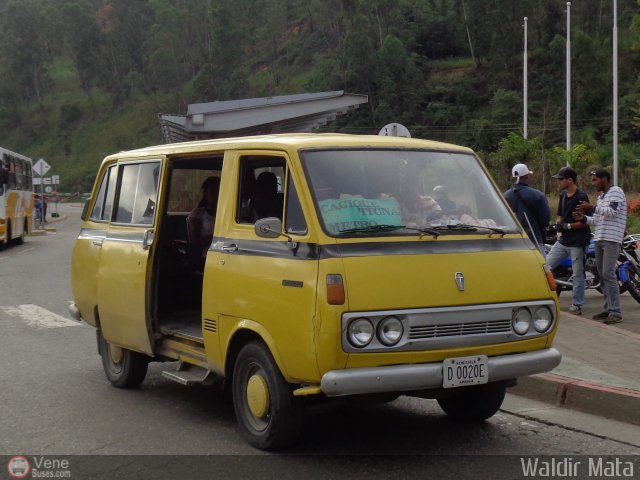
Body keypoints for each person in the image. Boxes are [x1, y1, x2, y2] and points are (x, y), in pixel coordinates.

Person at [575, 168, 627, 324]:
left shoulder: (616, 191)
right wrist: (583, 218)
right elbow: (597, 220)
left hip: (612, 238)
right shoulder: (601, 197)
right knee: (602, 275)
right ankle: (608, 309)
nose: (594, 183)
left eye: (595, 180)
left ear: (604, 179)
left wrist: (591, 208)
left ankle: (616, 312)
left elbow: (612, 211)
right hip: (599, 238)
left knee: (608, 273)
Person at [545, 166, 591, 315]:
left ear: (570, 180)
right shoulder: (563, 195)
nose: (558, 182)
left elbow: (585, 221)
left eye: (560, 179)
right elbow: (562, 216)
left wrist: (568, 226)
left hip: (578, 241)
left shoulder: (581, 197)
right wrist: (557, 225)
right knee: (545, 266)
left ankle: (577, 304)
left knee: (578, 274)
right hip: (563, 241)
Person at [504, 163, 551, 250]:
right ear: (526, 177)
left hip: (512, 241)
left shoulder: (505, 195)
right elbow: (545, 219)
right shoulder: (538, 195)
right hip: (534, 239)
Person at [187, 176, 220, 260]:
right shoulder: (198, 214)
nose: (216, 195)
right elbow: (194, 242)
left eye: (219, 191)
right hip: (206, 256)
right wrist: (216, 238)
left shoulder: (227, 213)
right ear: (205, 194)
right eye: (213, 192)